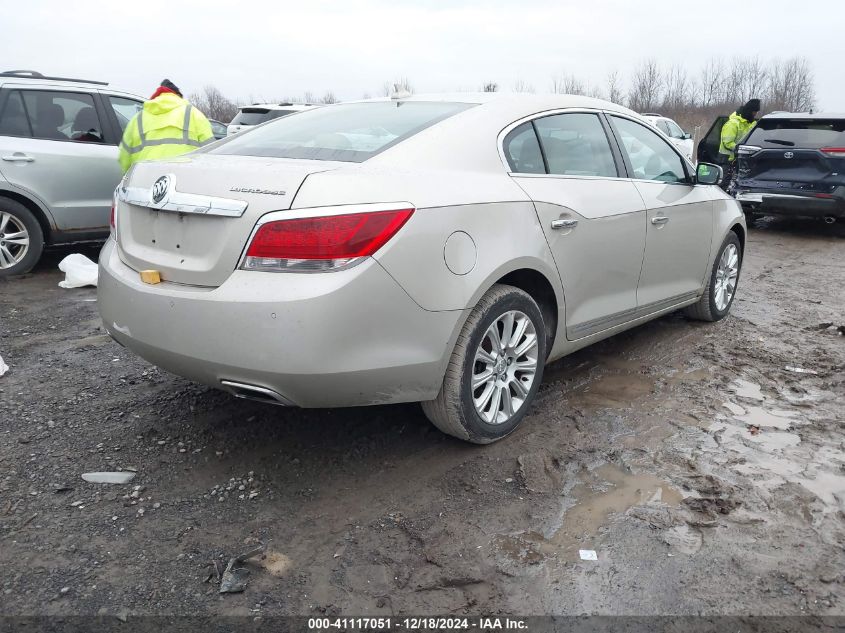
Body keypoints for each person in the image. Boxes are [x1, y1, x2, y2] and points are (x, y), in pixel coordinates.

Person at [118, 79, 214, 173]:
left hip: (146, 179)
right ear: (178, 96)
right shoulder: (194, 114)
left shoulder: (137, 119)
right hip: (184, 179)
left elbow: (124, 158)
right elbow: (212, 153)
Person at [718, 98, 760, 192]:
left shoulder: (751, 124)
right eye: (754, 112)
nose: (755, 114)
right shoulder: (733, 124)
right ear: (749, 110)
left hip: (741, 159)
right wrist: (741, 149)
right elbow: (727, 143)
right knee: (724, 184)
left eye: (756, 112)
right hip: (727, 159)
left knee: (737, 184)